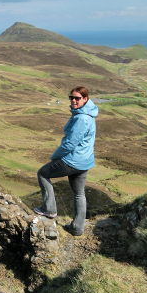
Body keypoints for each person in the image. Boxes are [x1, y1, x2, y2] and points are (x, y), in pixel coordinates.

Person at [34, 85, 98, 236]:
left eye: (77, 98)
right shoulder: (88, 114)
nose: (74, 100)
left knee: (43, 173)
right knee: (79, 193)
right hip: (85, 161)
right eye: (72, 97)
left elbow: (70, 143)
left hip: (73, 161)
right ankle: (77, 228)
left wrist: (55, 157)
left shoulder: (82, 118)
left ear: (85, 99)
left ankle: (49, 209)